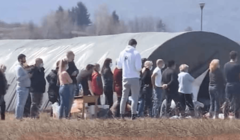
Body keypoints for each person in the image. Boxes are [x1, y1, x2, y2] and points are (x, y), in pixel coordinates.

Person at [118, 39, 142, 120]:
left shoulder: (122, 53)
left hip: (125, 77)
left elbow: (119, 66)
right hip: (134, 77)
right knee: (134, 97)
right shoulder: (136, 53)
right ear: (134, 45)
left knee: (124, 97)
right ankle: (133, 114)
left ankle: (121, 114)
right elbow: (138, 67)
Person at [224, 51, 240, 119]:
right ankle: (236, 116)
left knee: (227, 100)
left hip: (228, 84)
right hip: (236, 84)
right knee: (237, 100)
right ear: (236, 57)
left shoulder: (226, 65)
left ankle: (225, 114)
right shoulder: (237, 66)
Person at [15, 54, 31, 120]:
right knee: (20, 103)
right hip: (22, 88)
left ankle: (20, 116)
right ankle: (18, 117)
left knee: (22, 103)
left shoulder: (23, 67)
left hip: (25, 88)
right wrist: (27, 76)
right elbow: (18, 78)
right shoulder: (19, 68)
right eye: (23, 58)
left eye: (25, 58)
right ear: (19, 59)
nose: (25, 60)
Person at [66, 51, 79, 115]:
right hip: (69, 83)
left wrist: (76, 72)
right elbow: (66, 72)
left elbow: (76, 69)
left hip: (73, 82)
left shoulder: (72, 63)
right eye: (73, 55)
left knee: (72, 99)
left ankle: (69, 112)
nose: (74, 56)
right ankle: (67, 113)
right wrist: (72, 73)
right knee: (68, 99)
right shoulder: (66, 63)